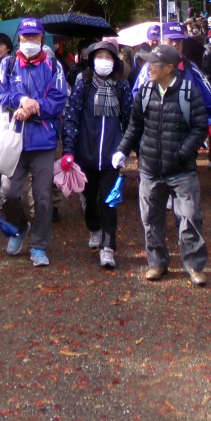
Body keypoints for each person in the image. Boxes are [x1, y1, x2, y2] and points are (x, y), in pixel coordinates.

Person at [113, 45, 209, 285]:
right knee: (151, 219)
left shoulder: (188, 92)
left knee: (190, 218)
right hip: (149, 169)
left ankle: (195, 266)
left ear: (169, 68)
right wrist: (122, 150)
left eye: (153, 64)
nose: (147, 68)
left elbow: (199, 128)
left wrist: (182, 152)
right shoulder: (144, 91)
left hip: (182, 170)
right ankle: (156, 264)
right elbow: (135, 126)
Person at [0, 17, 68, 266]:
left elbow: (59, 100)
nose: (29, 42)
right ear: (19, 40)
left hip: (44, 141)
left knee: (43, 197)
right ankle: (19, 227)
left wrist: (35, 107)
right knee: (8, 193)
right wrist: (20, 101)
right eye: (25, 38)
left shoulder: (54, 67)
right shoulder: (7, 65)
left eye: (34, 37)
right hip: (13, 140)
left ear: (41, 39)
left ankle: (38, 245)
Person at [62, 41, 132, 269]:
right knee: (90, 198)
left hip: (112, 155)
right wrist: (69, 150)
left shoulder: (121, 87)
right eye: (99, 57)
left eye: (109, 57)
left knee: (109, 201)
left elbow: (131, 121)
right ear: (92, 60)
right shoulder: (84, 84)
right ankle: (94, 228)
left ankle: (108, 247)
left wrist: (125, 149)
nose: (104, 61)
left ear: (115, 61)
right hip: (86, 152)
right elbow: (71, 117)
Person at [136, 22, 211, 173]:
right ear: (162, 41)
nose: (175, 44)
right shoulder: (149, 68)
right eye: (170, 40)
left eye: (179, 41)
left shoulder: (189, 66)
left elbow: (208, 95)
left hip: (184, 133)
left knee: (185, 178)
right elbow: (136, 98)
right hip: (156, 134)